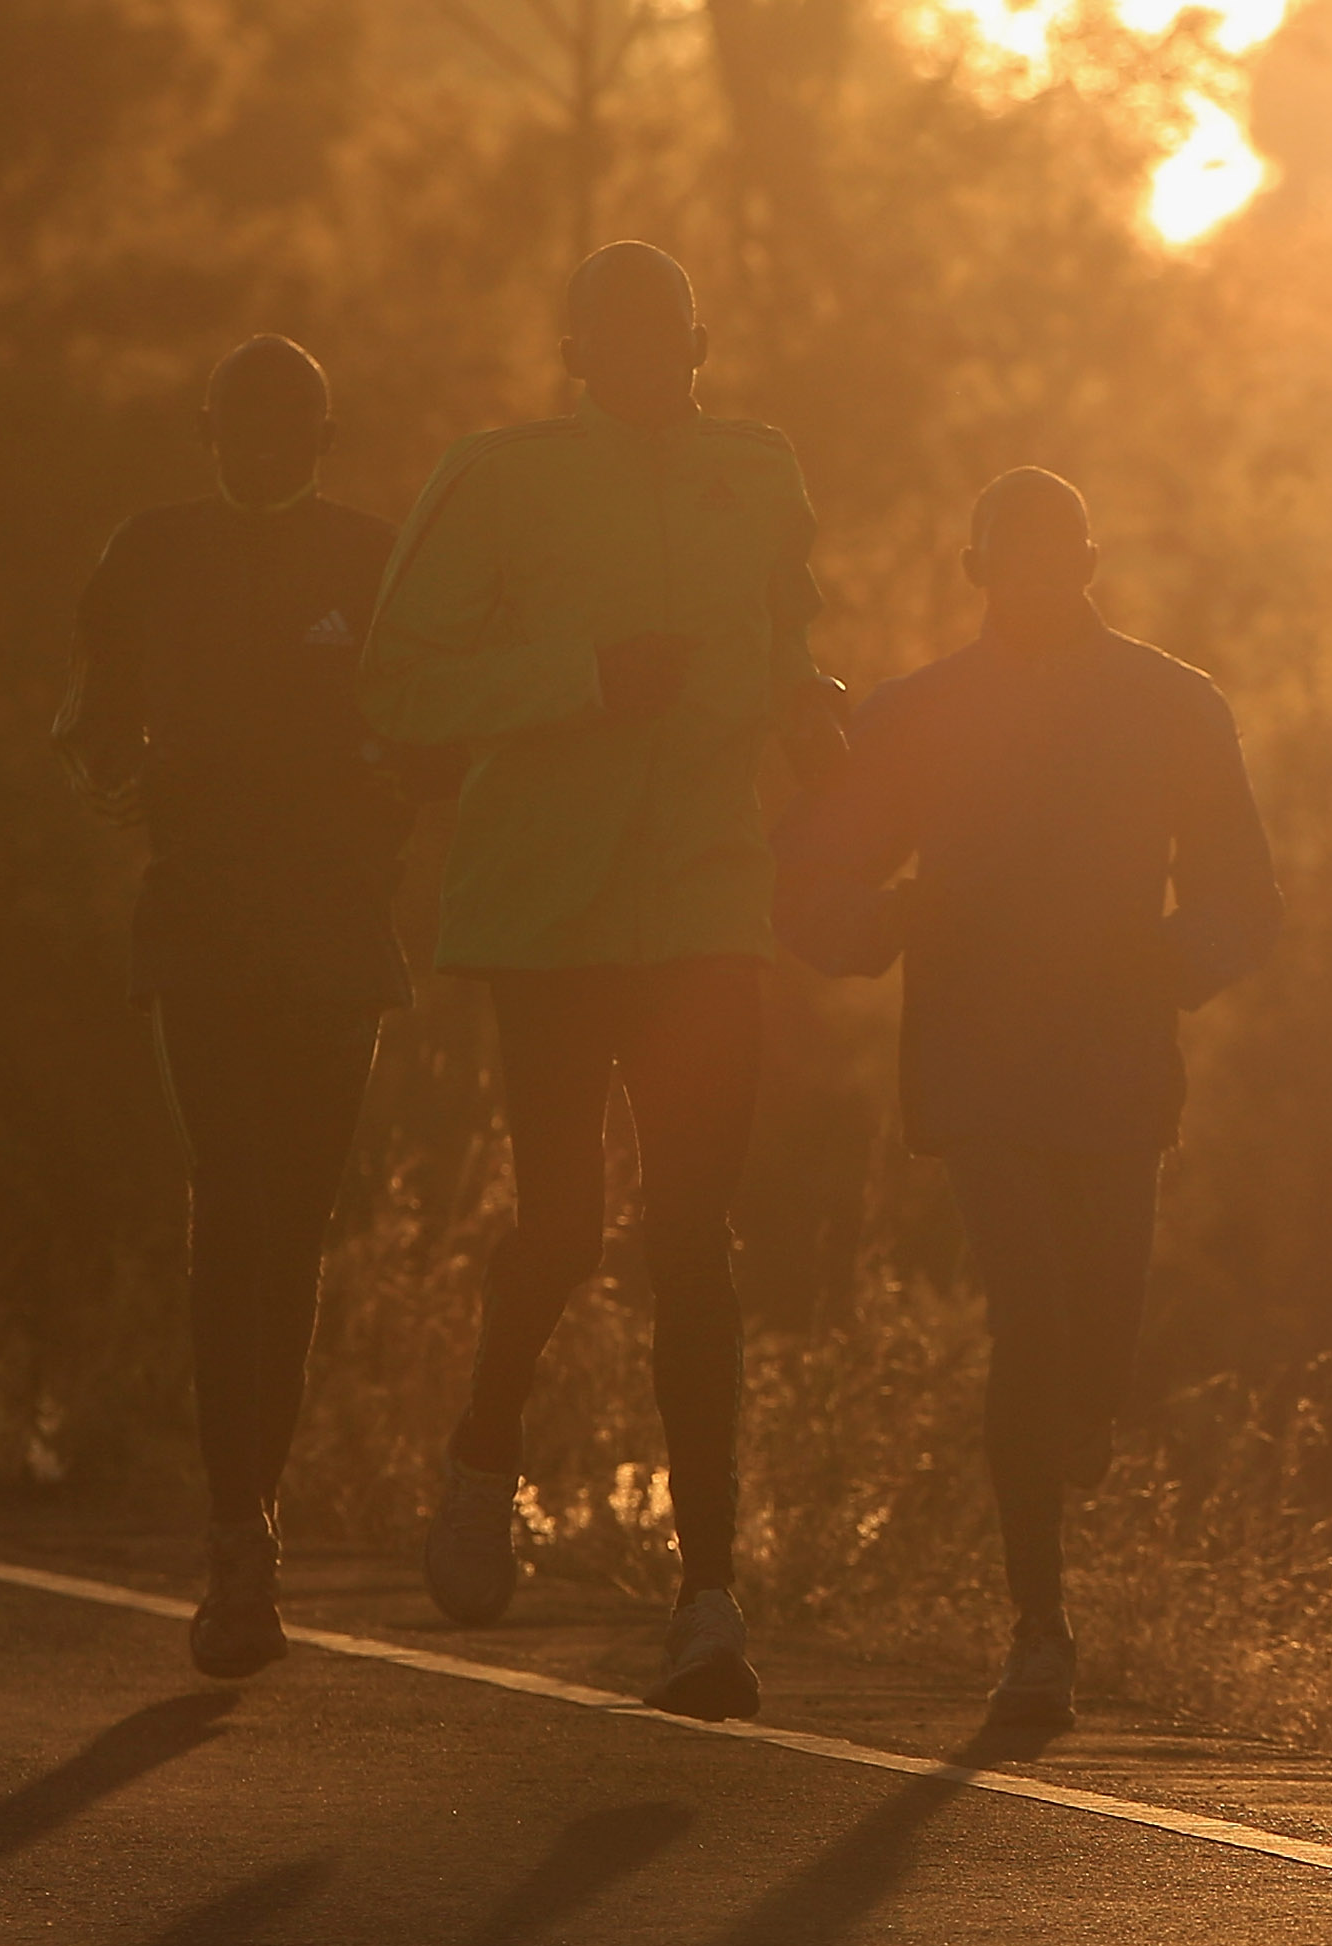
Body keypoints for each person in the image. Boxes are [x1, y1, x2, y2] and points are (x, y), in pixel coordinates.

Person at [355, 243, 845, 1718]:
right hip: (548, 914)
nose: (649, 364)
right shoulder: (497, 479)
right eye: (616, 341)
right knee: (563, 1228)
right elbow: (395, 685)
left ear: (699, 343)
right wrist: (575, 675)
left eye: (671, 341)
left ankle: (709, 1601)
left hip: (704, 905)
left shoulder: (760, 473)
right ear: (579, 351)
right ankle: (484, 1444)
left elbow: (786, 642)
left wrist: (810, 709)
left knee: (696, 1241)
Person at [779, 468, 1280, 1728]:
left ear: (1092, 563)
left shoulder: (1172, 704)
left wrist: (1167, 966)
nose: (1038, 578)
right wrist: (883, 920)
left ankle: (1082, 1422)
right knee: (1032, 1315)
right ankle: (1038, 1632)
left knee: (1097, 1334)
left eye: (1059, 555)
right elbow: (816, 875)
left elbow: (1242, 893)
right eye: (1013, 556)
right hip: (978, 1068)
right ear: (975, 570)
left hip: (1115, 1068)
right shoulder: (917, 716)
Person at [52, 333, 423, 1681]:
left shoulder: (374, 559)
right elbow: (88, 726)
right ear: (207, 434)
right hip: (201, 926)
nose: (263, 447)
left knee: (298, 1231)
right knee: (233, 1203)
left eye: (291, 427)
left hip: (333, 934)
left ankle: (255, 1518)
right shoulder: (149, 552)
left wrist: (390, 794)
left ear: (323, 440)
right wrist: (116, 763)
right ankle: (235, 1536)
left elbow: (434, 739)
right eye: (239, 426)